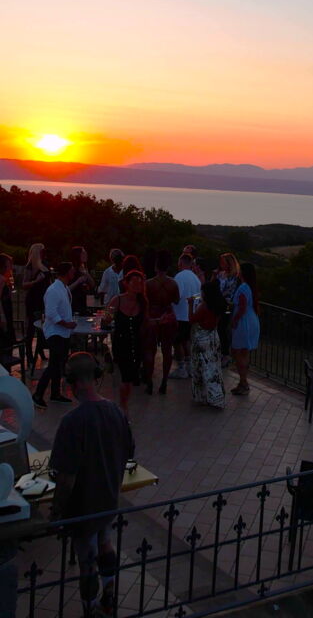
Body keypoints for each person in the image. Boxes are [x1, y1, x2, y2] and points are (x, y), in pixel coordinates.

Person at [49, 351, 134, 618]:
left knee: (86, 559)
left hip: (83, 506)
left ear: (71, 382)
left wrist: (56, 511)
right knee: (106, 543)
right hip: (108, 499)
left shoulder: (72, 422)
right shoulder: (117, 413)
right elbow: (128, 452)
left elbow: (66, 478)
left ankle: (90, 608)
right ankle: (109, 596)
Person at [32, 262, 77, 409]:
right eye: (72, 270)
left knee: (58, 363)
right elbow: (51, 313)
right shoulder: (53, 290)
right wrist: (66, 324)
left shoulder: (63, 288)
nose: (74, 272)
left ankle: (55, 393)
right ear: (66, 272)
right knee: (54, 365)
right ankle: (38, 394)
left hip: (63, 333)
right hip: (55, 332)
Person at [107, 270, 147, 418]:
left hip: (136, 344)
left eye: (140, 282)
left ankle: (123, 405)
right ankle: (122, 407)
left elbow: (146, 324)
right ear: (126, 283)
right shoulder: (117, 300)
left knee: (130, 378)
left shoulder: (142, 303)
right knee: (125, 376)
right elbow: (106, 319)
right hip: (120, 343)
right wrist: (108, 314)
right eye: (134, 282)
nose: (137, 285)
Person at [144, 250, 179, 395]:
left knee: (150, 351)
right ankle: (164, 381)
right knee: (167, 350)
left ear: (156, 267)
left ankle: (149, 381)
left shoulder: (148, 283)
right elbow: (176, 300)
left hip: (153, 315)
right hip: (168, 315)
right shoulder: (173, 283)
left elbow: (145, 301)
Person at [188, 281, 226, 408]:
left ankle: (203, 396)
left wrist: (190, 304)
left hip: (203, 338)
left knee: (201, 367)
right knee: (213, 367)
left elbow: (192, 319)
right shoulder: (218, 305)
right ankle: (216, 397)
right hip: (213, 336)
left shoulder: (205, 306)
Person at [169, 253, 201, 379]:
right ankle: (189, 366)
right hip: (191, 315)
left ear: (181, 263)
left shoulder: (179, 277)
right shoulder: (196, 278)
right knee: (186, 340)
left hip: (180, 315)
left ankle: (181, 368)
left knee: (176, 342)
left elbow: (177, 296)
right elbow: (198, 296)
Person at [231, 263, 260, 395]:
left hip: (244, 322)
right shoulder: (250, 287)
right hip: (251, 319)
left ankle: (243, 382)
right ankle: (243, 382)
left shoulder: (243, 287)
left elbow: (242, 307)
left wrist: (234, 320)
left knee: (238, 352)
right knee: (244, 352)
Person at [23, 243, 52, 367]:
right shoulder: (30, 267)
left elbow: (49, 282)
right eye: (42, 251)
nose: (44, 253)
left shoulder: (45, 265)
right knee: (31, 329)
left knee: (42, 328)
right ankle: (29, 355)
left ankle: (40, 351)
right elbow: (24, 285)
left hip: (44, 301)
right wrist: (36, 281)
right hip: (33, 301)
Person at [213, 252, 240, 367]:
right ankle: (220, 353)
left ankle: (226, 355)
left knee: (223, 327)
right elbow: (213, 286)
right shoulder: (220, 274)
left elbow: (227, 291)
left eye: (223, 262)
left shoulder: (234, 277)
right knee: (218, 328)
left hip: (228, 305)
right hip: (219, 304)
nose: (221, 264)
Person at [69, 246, 95, 315]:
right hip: (75, 304)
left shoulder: (84, 268)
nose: (86, 255)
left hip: (85, 303)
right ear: (77, 255)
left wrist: (87, 274)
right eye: (83, 253)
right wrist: (78, 281)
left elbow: (93, 285)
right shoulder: (71, 269)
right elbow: (66, 289)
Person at [0, 253, 15, 349]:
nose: (11, 268)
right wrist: (2, 318)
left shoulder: (4, 279)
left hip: (7, 313)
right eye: (9, 265)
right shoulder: (1, 279)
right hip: (4, 314)